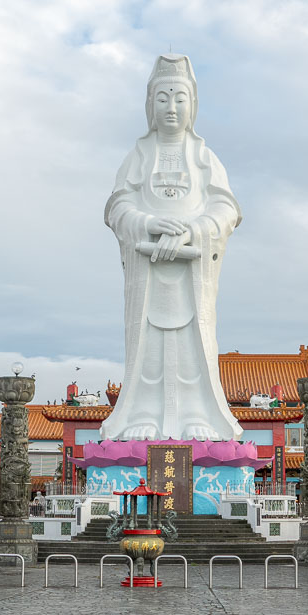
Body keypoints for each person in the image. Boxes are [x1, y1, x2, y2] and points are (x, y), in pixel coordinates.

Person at [100, 54, 244, 443]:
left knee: (193, 339)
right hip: (148, 271)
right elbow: (117, 206)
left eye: (180, 98)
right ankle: (142, 414)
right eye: (162, 98)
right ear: (150, 104)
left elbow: (227, 209)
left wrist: (193, 230)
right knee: (147, 343)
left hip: (190, 269)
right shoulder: (138, 157)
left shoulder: (204, 158)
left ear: (192, 105)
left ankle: (197, 413)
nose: (171, 107)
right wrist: (148, 224)